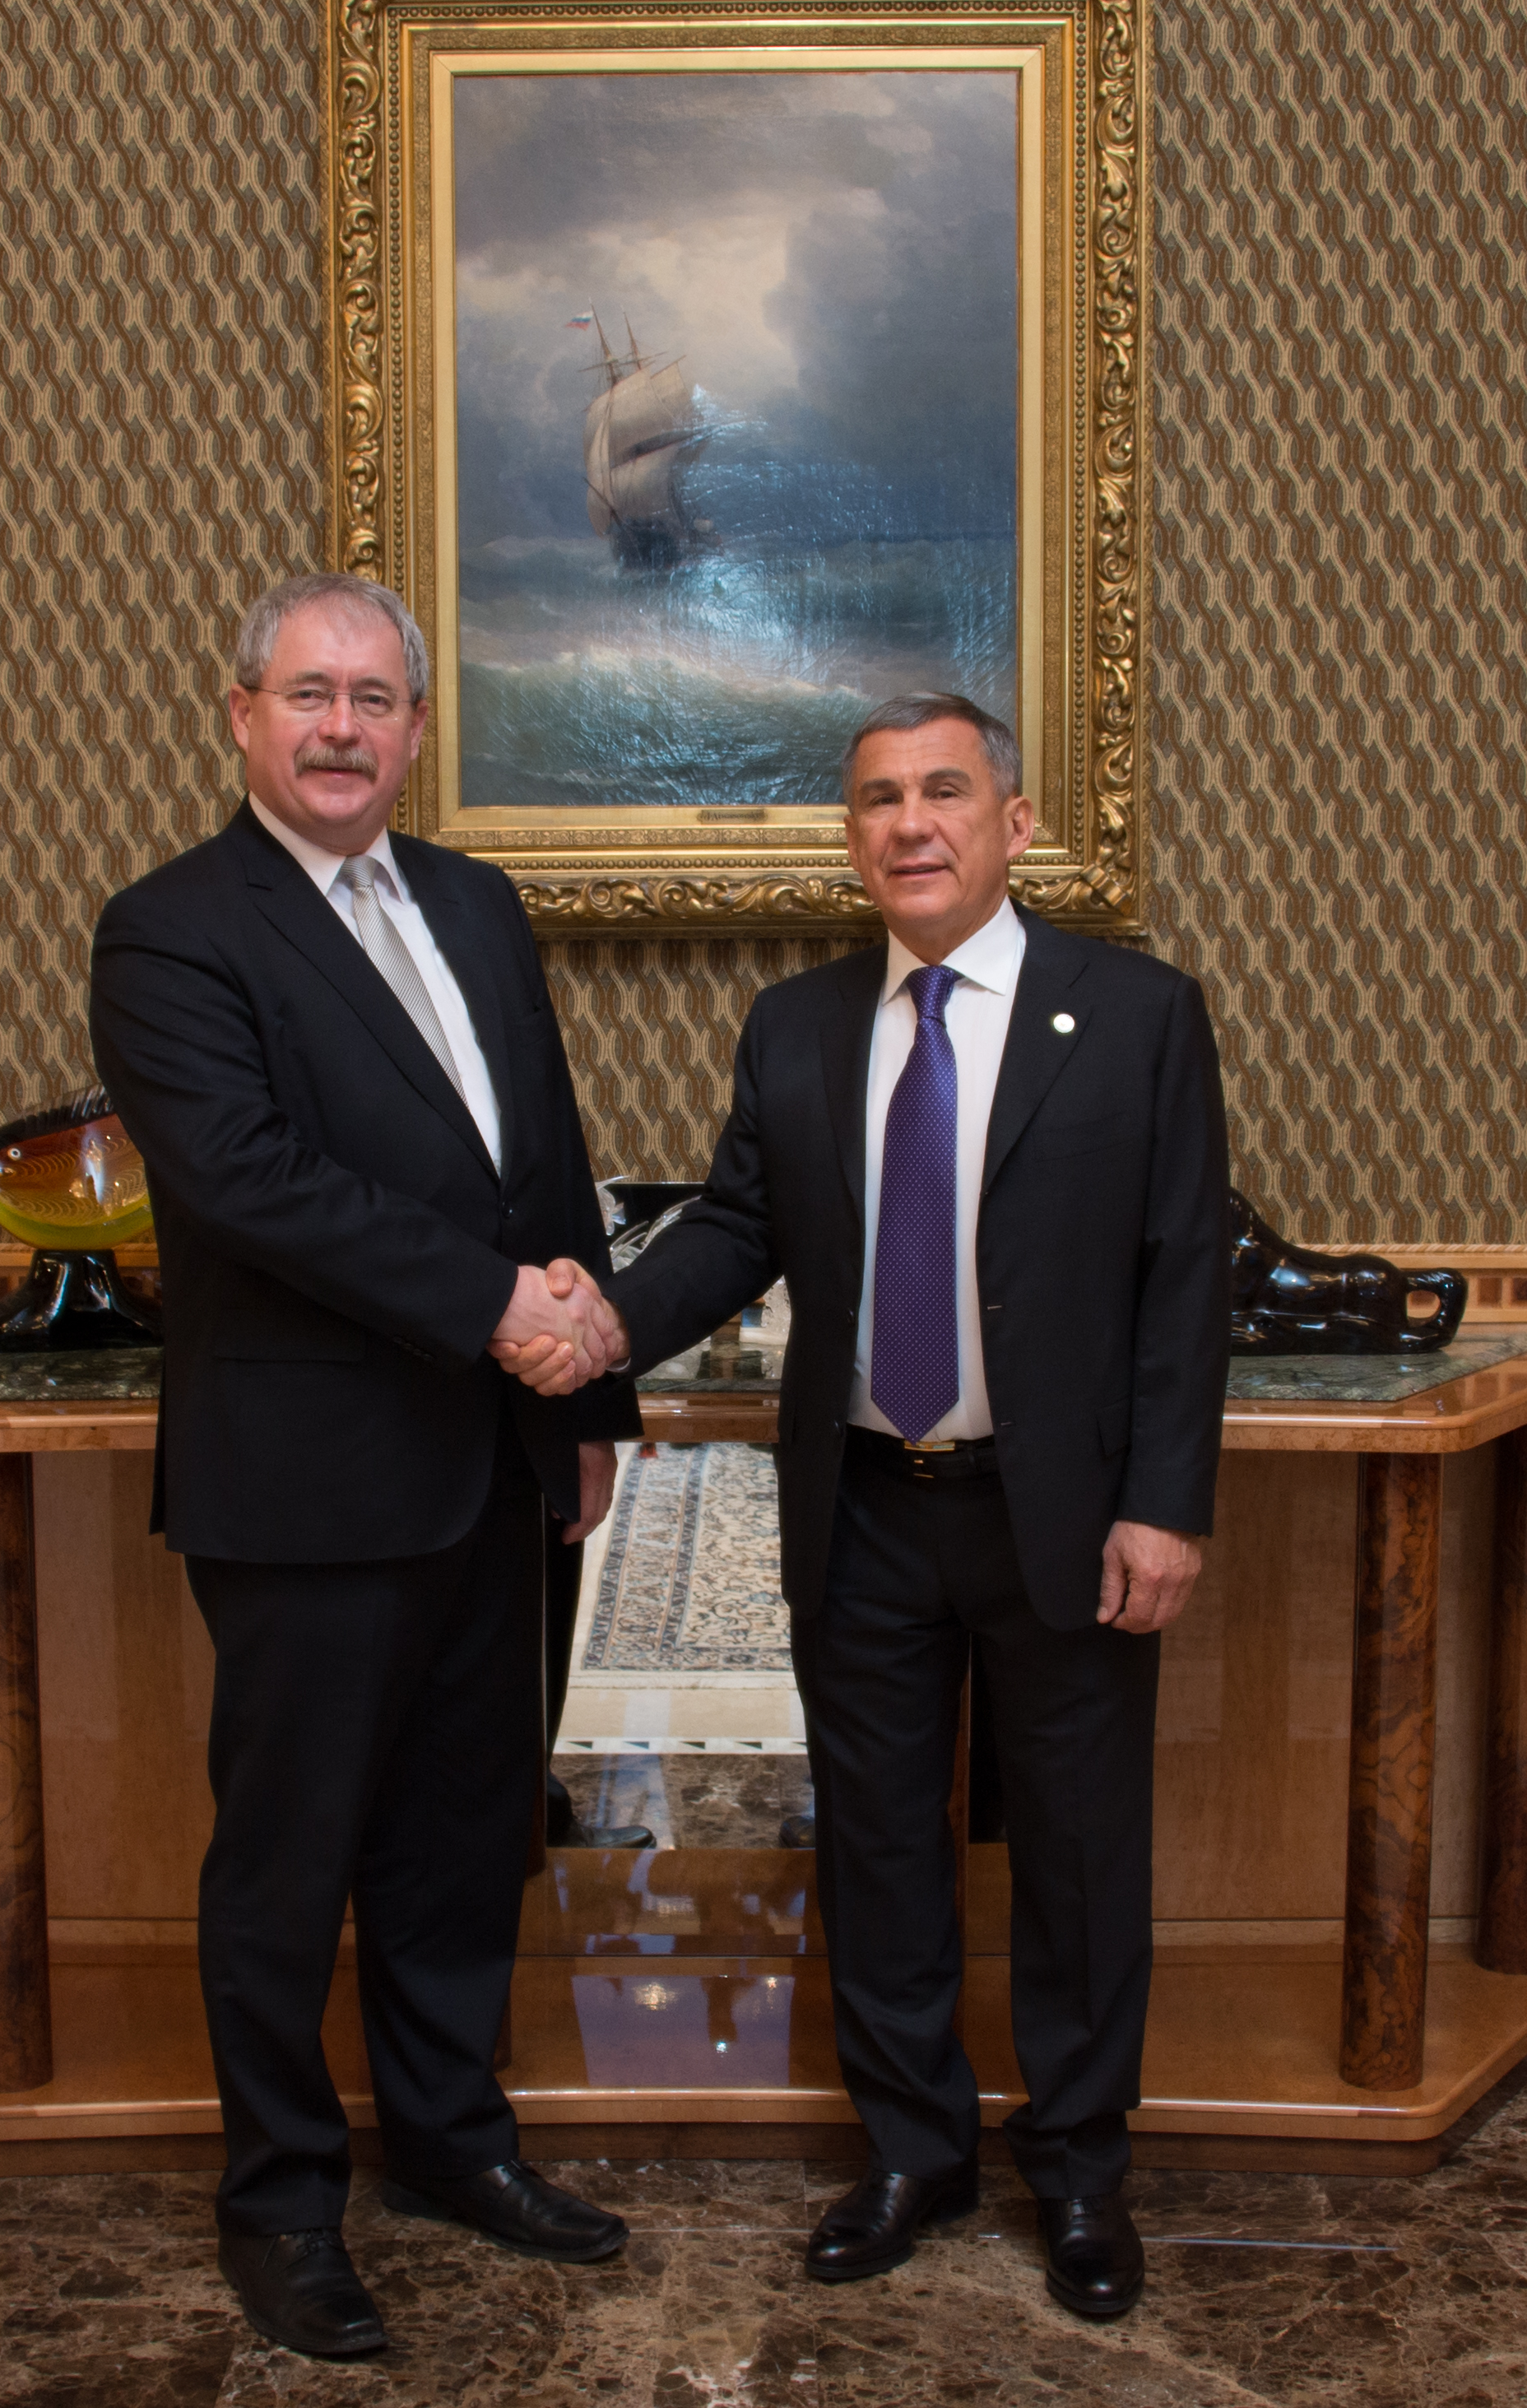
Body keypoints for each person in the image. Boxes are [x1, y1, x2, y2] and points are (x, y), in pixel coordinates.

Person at [496, 693, 1230, 2317]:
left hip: (1064, 1515)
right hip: (867, 1508)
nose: (909, 823)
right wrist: (603, 1322)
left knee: (1077, 1854)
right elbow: (732, 1226)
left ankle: (1079, 2171)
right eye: (878, 799)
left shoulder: (1136, 1014)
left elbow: (1182, 1272)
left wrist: (1164, 1504)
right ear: (851, 839)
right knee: (880, 1845)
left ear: (1011, 822)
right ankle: (911, 2150)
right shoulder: (799, 1024)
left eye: (942, 791)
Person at [89, 573, 638, 2358]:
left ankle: (451, 2143)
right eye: (308, 692)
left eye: (374, 698)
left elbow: (538, 1161)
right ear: (240, 712)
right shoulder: (171, 929)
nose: (341, 727)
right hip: (308, 1483)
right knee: (290, 1858)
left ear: (415, 728)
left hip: (495, 1465)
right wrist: (497, 1309)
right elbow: (250, 1179)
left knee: (464, 1838)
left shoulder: (476, 903)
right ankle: (279, 2201)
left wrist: (585, 1407)